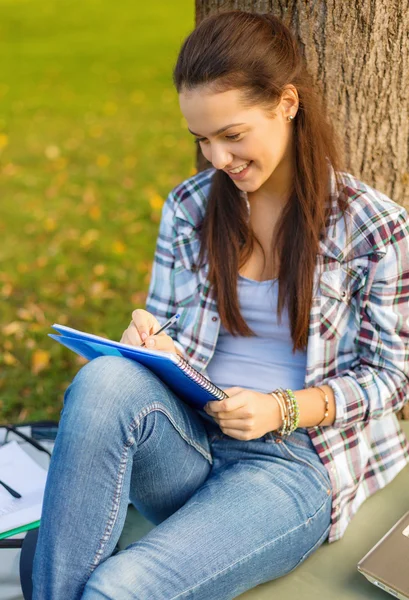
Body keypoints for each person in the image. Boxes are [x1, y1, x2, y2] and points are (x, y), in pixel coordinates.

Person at [32, 10, 409, 600]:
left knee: (117, 588)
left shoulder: (372, 227)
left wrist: (281, 409)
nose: (215, 158)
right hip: (192, 434)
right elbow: (169, 328)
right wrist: (150, 344)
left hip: (291, 466)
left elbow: (394, 377)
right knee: (105, 379)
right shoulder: (189, 208)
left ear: (287, 103)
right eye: (201, 139)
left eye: (232, 135)